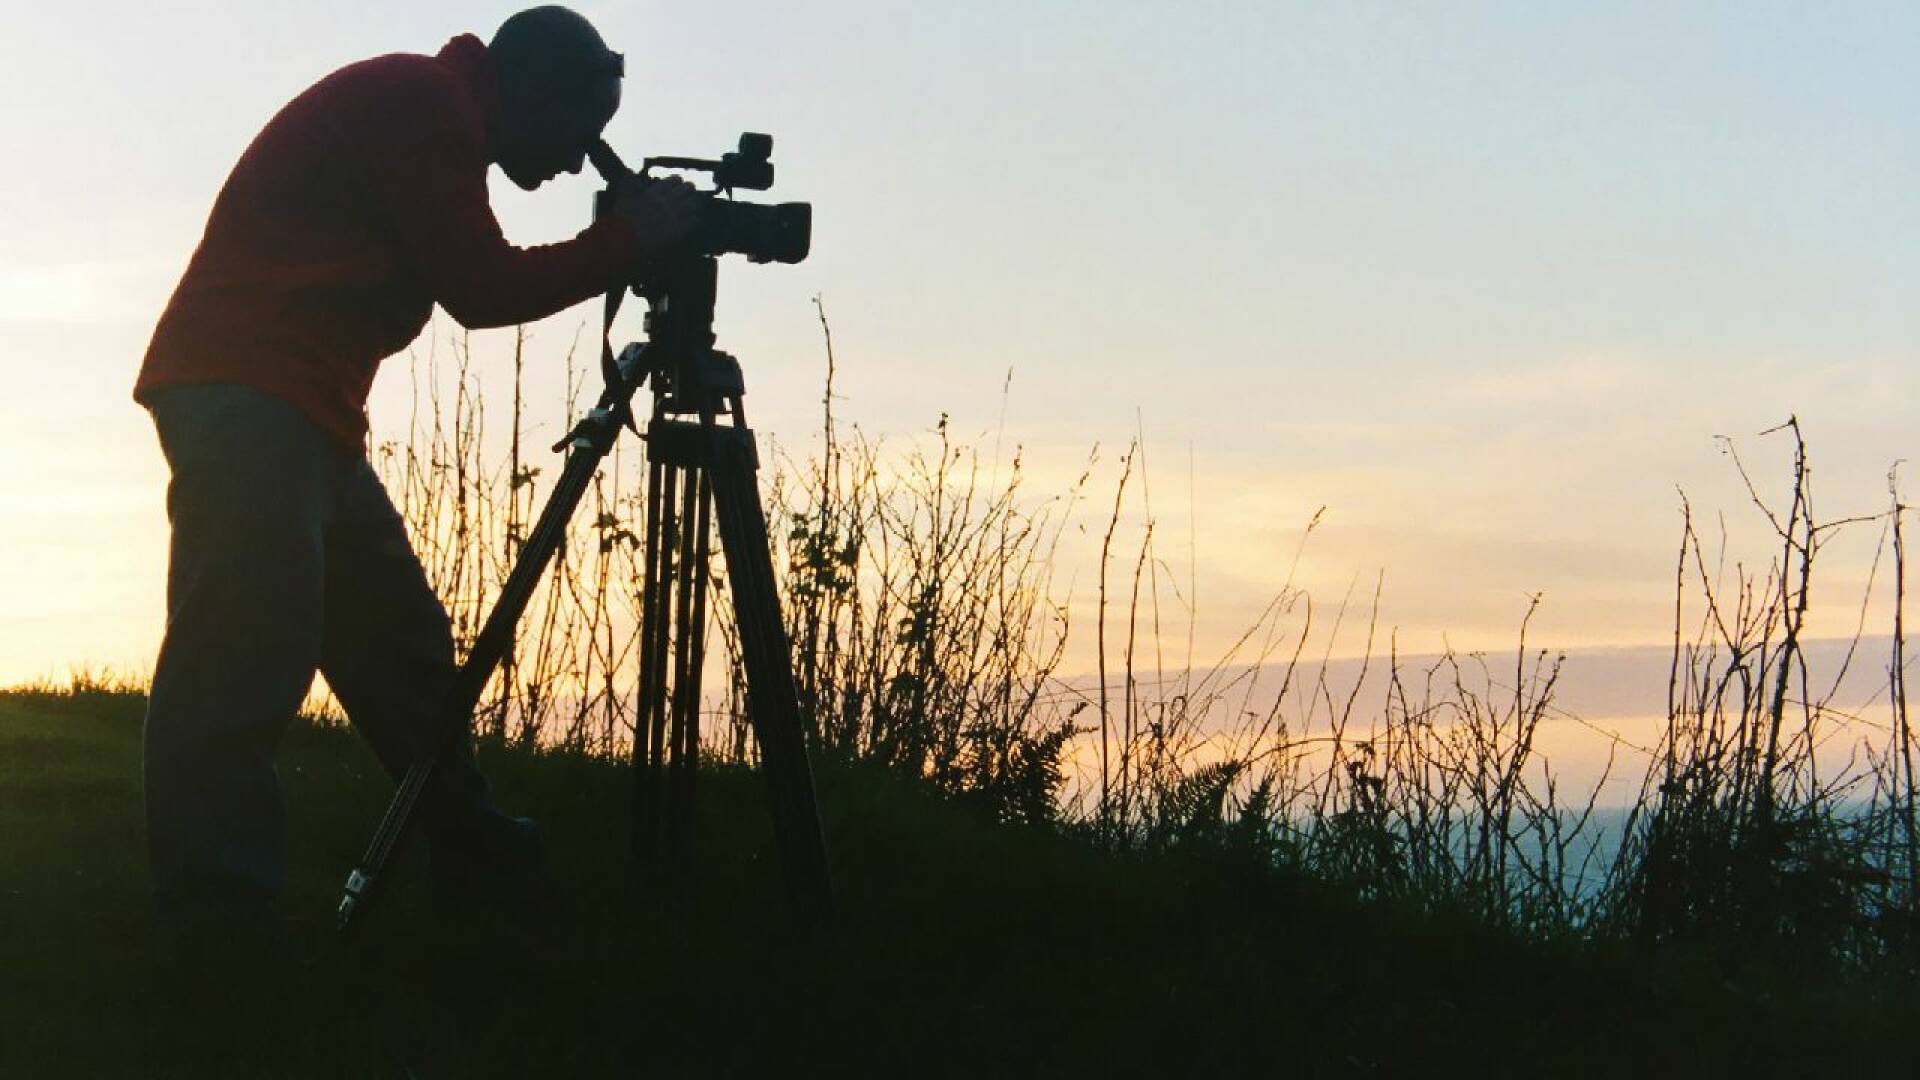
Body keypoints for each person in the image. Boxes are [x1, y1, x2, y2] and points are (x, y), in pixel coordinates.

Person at [132, 6, 696, 939]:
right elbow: (482, 287)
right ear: (533, 91)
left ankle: (468, 844)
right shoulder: (423, 107)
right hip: (250, 389)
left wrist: (623, 242)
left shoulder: (431, 111)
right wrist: (629, 244)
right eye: (577, 130)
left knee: (397, 639)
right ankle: (217, 922)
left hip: (298, 404)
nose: (574, 161)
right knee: (241, 649)